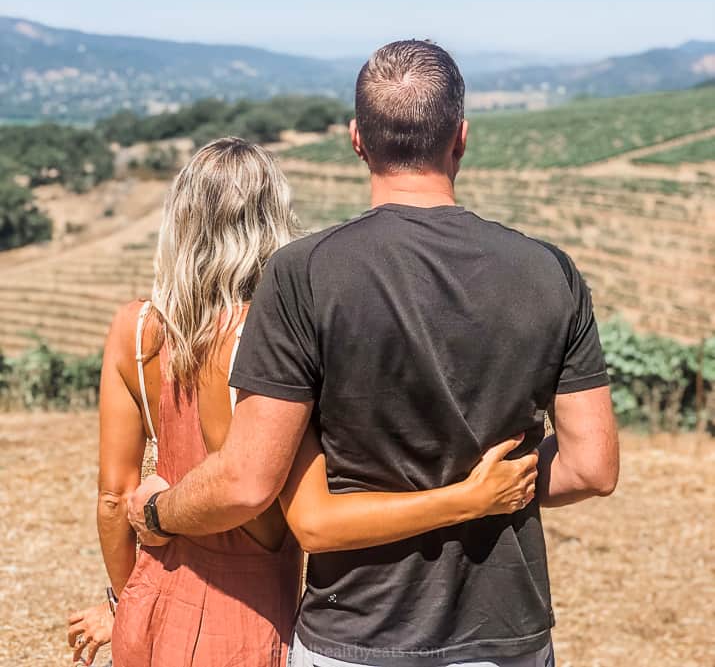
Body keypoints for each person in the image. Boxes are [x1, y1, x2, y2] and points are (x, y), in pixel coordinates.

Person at [129, 41, 619, 667]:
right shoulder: (551, 272)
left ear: (358, 139)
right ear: (460, 139)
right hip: (506, 634)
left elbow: (251, 481)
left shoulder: (302, 275)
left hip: (355, 637)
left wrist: (158, 511)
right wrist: (483, 489)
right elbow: (592, 468)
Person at [68, 136, 538, 667]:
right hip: (247, 612)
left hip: (148, 603)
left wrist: (122, 599)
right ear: (273, 220)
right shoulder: (271, 343)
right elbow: (270, 513)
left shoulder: (133, 329)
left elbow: (114, 496)